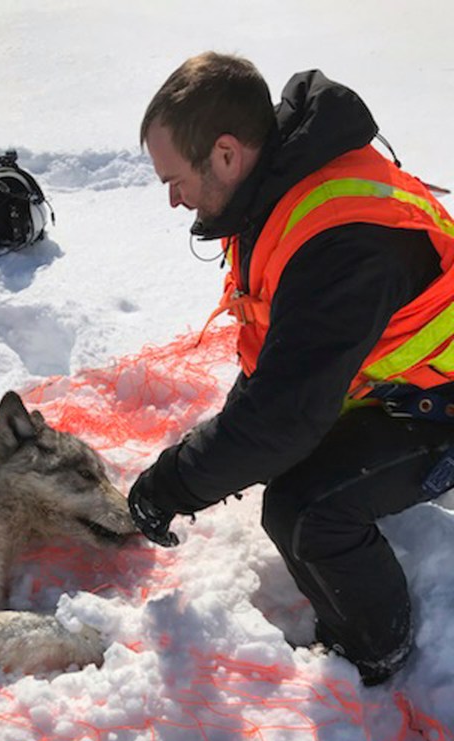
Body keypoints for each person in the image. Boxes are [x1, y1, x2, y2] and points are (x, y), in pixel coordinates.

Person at [128, 52, 454, 686]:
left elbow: (283, 418)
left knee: (305, 512)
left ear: (225, 154)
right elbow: (276, 370)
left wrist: (171, 485)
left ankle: (373, 653)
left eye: (174, 179)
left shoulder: (342, 243)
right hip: (399, 388)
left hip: (440, 405)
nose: (173, 200)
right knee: (277, 460)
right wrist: (218, 454)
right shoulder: (278, 191)